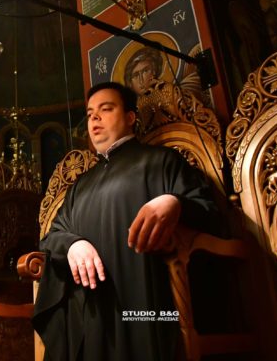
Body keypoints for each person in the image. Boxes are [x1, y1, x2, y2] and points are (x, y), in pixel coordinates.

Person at [32, 81, 218, 360]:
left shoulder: (161, 162)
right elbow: (51, 237)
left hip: (148, 309)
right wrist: (72, 245)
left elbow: (208, 211)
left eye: (106, 109)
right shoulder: (79, 186)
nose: (94, 118)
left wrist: (174, 203)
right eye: (90, 113)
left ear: (130, 117)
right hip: (90, 315)